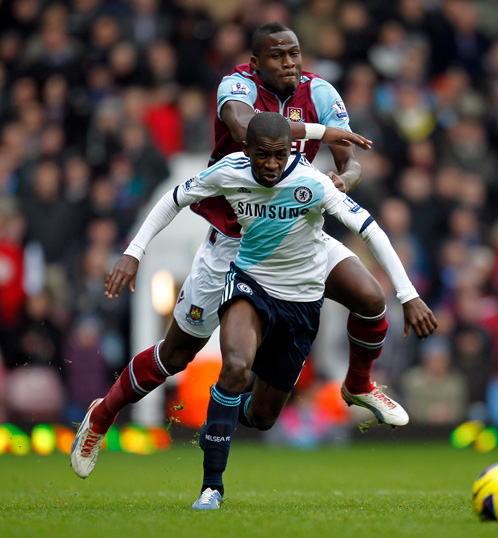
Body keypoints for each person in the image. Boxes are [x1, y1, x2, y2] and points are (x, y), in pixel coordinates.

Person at [69, 22, 421, 479]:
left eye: (295, 54)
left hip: (296, 232)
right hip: (233, 240)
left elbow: (350, 162)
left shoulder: (322, 92)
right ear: (257, 63)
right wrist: (323, 132)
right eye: (277, 56)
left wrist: (340, 181)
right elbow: (246, 125)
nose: (290, 63)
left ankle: (358, 385)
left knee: (371, 298)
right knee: (177, 355)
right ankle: (103, 414)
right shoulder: (236, 85)